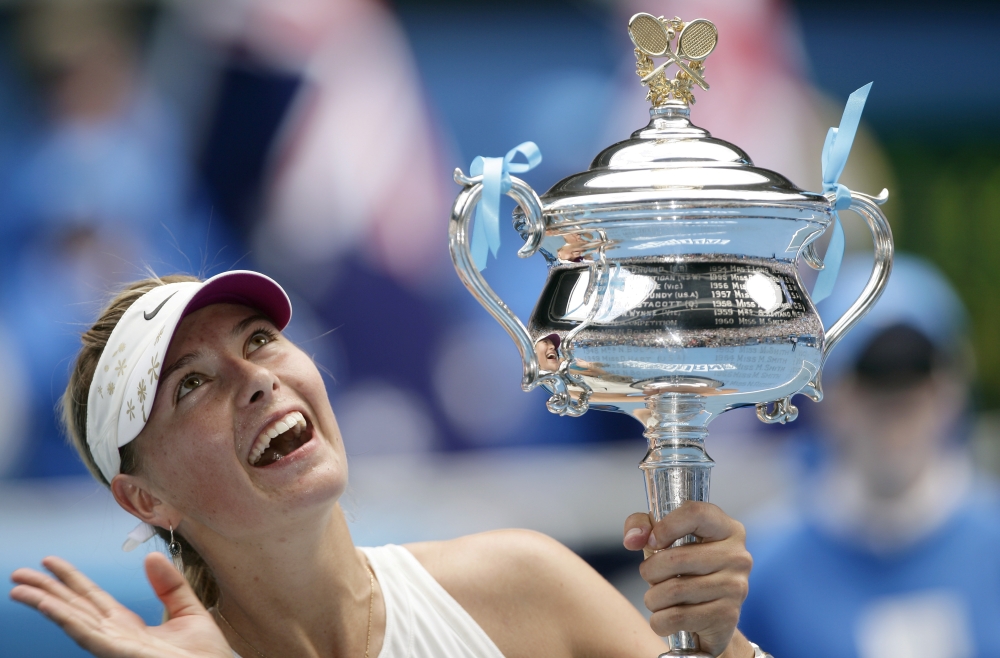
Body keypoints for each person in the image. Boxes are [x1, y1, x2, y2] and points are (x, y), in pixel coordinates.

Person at [9, 270, 760, 658]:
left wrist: (720, 641)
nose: (257, 378)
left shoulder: (519, 583)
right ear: (145, 501)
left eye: (260, 339)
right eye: (192, 384)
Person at [739, 254, 1000, 658]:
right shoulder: (760, 574)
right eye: (871, 376)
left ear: (952, 389)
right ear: (825, 395)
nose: (896, 406)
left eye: (917, 374)